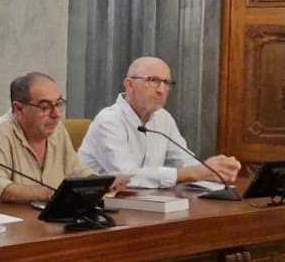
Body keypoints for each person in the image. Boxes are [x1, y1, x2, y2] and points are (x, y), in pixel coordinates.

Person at [78, 56, 240, 189]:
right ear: (130, 85)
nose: (161, 90)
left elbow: (183, 161)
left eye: (166, 83)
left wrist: (214, 171)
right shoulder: (109, 120)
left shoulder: (163, 118)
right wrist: (196, 172)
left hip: (146, 203)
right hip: (101, 205)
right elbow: (127, 177)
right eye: (153, 80)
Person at [0, 72, 103, 204]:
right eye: (45, 107)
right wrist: (48, 194)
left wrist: (101, 185)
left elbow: (76, 172)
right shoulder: (0, 132)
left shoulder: (56, 129)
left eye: (58, 104)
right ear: (19, 109)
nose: (56, 114)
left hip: (49, 214)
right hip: (12, 216)